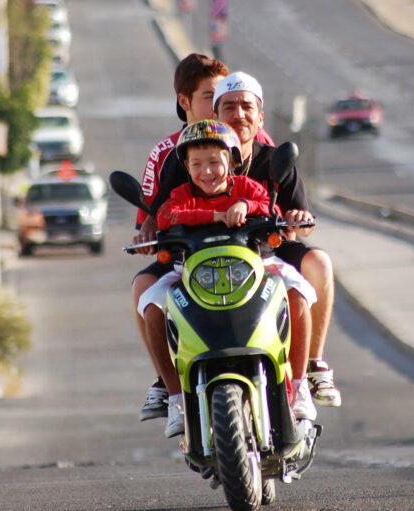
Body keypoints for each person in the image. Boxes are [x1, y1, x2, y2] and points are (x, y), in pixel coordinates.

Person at [151, 71, 342, 409]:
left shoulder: (271, 161)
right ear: (215, 115)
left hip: (265, 254)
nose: (207, 171)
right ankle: (170, 389)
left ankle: (309, 371)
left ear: (260, 117)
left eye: (246, 107)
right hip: (197, 259)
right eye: (229, 108)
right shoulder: (183, 159)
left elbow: (290, 216)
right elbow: (165, 213)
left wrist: (292, 219)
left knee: (307, 280)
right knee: (149, 296)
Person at [138, 119, 317, 437]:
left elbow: (268, 205)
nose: (206, 172)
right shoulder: (181, 195)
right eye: (196, 164)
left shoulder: (247, 187)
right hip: (190, 271)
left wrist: (245, 205)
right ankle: (177, 398)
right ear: (186, 167)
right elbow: (167, 215)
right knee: (150, 303)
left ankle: (300, 384)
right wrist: (216, 216)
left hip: (259, 266)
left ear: (232, 161)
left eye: (214, 162)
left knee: (299, 293)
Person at [132, 54, 274, 423]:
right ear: (185, 102)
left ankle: (297, 382)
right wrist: (152, 230)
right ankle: (171, 387)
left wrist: (266, 213)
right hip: (190, 258)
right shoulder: (168, 153)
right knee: (145, 291)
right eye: (211, 97)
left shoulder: (258, 142)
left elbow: (270, 197)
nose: (221, 108)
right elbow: (157, 213)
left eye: (225, 97)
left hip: (252, 254)